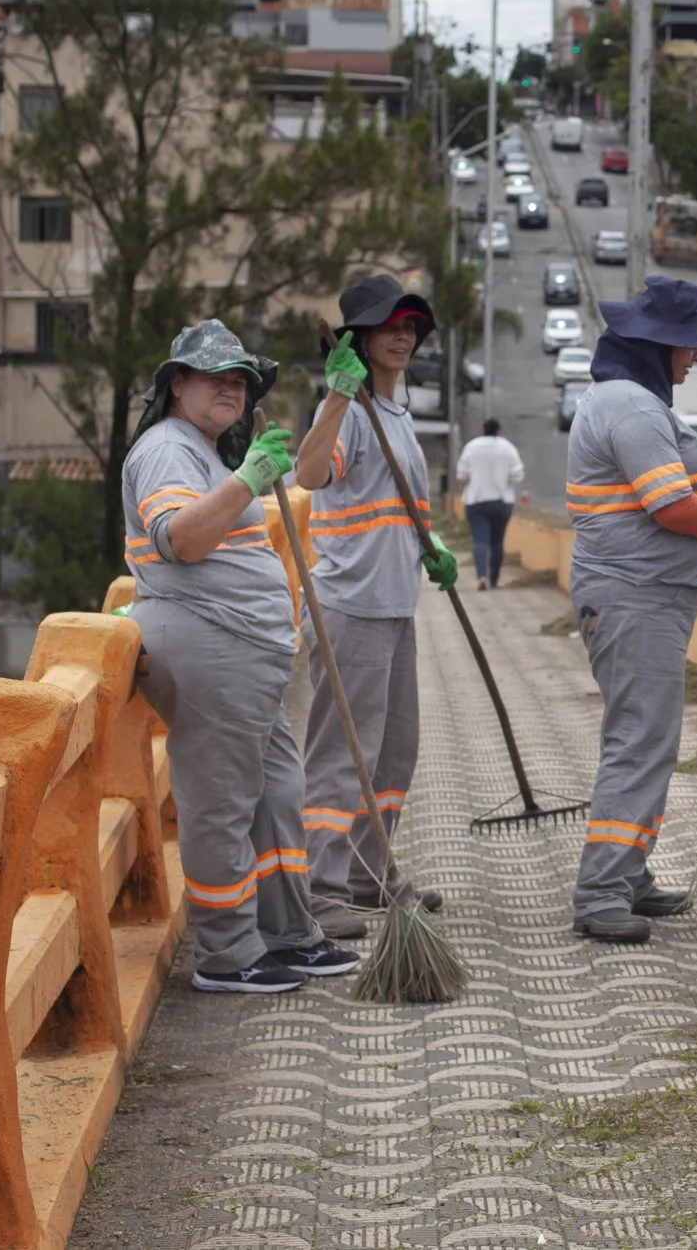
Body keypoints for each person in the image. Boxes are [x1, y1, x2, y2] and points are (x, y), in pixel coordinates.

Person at [122, 320, 359, 993]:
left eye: (240, 380)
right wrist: (250, 478)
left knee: (279, 791)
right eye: (215, 376)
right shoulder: (166, 449)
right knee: (222, 801)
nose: (231, 386)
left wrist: (245, 472)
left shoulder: (202, 450)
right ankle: (226, 952)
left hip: (244, 655)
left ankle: (285, 930)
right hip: (207, 643)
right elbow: (182, 540)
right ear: (176, 385)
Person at [564, 275, 697, 942]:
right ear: (659, 346)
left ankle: (629, 872)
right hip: (634, 593)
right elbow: (671, 508)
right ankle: (602, 890)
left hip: (640, 591)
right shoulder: (636, 410)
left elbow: (669, 484)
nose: (695, 358)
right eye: (688, 347)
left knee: (647, 737)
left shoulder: (628, 400)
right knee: (640, 740)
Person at [292, 275, 460, 940]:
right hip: (348, 605)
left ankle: (369, 872)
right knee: (343, 751)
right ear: (359, 337)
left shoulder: (396, 415)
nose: (402, 336)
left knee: (394, 752)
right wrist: (336, 394)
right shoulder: (351, 412)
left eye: (411, 327)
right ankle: (320, 887)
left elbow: (402, 506)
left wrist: (433, 546)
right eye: (390, 325)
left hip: (394, 602)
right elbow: (307, 475)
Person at [456, 417, 527, 589]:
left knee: (480, 541)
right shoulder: (507, 448)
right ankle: (494, 580)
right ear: (498, 431)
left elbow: (462, 475)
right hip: (501, 501)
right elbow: (517, 475)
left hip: (476, 501)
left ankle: (481, 576)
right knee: (497, 542)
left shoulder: (472, 447)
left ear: (483, 430)